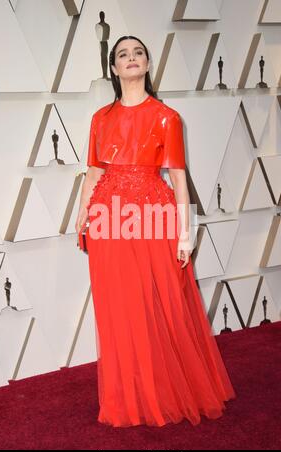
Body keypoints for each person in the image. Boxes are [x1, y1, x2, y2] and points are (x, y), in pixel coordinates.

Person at [75, 35, 236, 428]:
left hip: (153, 216)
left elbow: (179, 177)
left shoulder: (167, 117)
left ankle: (164, 390)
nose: (131, 59)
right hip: (109, 217)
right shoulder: (100, 118)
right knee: (119, 307)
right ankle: (129, 394)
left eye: (138, 53)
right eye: (123, 55)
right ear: (113, 69)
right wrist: (82, 214)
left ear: (148, 64)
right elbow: (94, 170)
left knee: (161, 304)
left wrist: (186, 233)